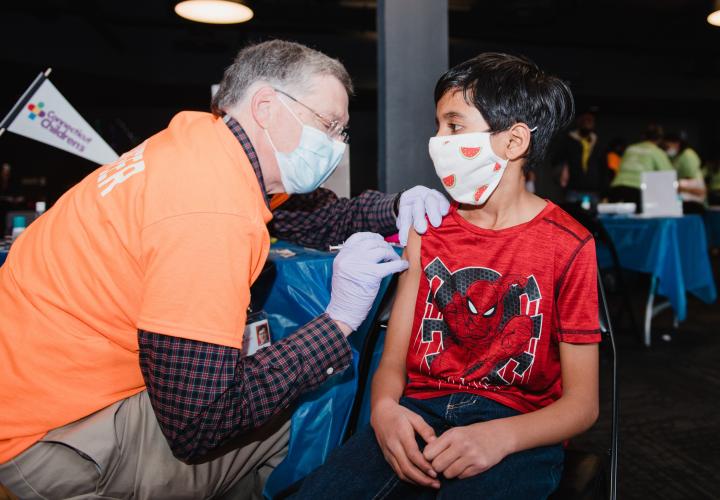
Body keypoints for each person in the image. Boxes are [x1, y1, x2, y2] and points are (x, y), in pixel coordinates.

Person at [0, 40, 450, 499]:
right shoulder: (211, 213)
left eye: (342, 133)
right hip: (54, 438)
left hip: (40, 387)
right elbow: (200, 424)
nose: (336, 146)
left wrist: (396, 207)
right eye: (328, 126)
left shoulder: (202, 145)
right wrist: (337, 325)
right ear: (266, 106)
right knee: (304, 415)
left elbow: (311, 215)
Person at [294, 52, 601, 499]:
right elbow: (394, 359)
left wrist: (503, 437)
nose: (438, 140)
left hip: (518, 427)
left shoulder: (569, 245)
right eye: (438, 126)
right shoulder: (428, 231)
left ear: (514, 142)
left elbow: (582, 405)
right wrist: (383, 409)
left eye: (454, 126)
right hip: (420, 414)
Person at [608, 123, 673, 210]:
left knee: (615, 221)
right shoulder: (657, 152)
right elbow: (669, 175)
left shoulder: (630, 148)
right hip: (638, 190)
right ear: (659, 139)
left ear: (644, 136)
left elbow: (619, 168)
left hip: (617, 188)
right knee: (637, 222)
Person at [555, 109, 606, 204]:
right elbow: (557, 160)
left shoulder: (598, 142)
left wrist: (604, 191)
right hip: (573, 189)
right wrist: (563, 170)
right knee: (572, 216)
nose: (588, 123)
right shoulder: (568, 140)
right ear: (579, 122)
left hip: (593, 190)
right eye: (585, 120)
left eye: (590, 121)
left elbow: (603, 166)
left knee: (593, 218)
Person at [663, 131, 706, 214]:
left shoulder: (688, 154)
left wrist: (677, 187)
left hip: (693, 197)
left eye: (668, 146)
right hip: (682, 197)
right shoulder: (675, 158)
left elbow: (690, 177)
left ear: (677, 143)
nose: (667, 149)